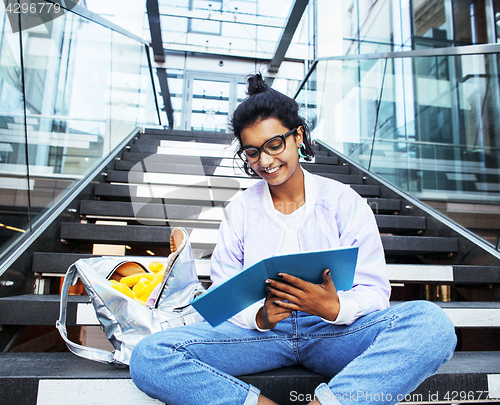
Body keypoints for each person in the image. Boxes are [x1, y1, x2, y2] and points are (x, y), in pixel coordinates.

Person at [129, 73, 457, 405]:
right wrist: (260, 316)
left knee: (432, 326)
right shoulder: (239, 211)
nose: (266, 162)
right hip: (261, 336)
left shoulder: (344, 202)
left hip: (334, 332)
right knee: (150, 356)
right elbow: (224, 294)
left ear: (298, 135)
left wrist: (334, 307)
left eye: (274, 145)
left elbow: (374, 292)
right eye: (253, 152)